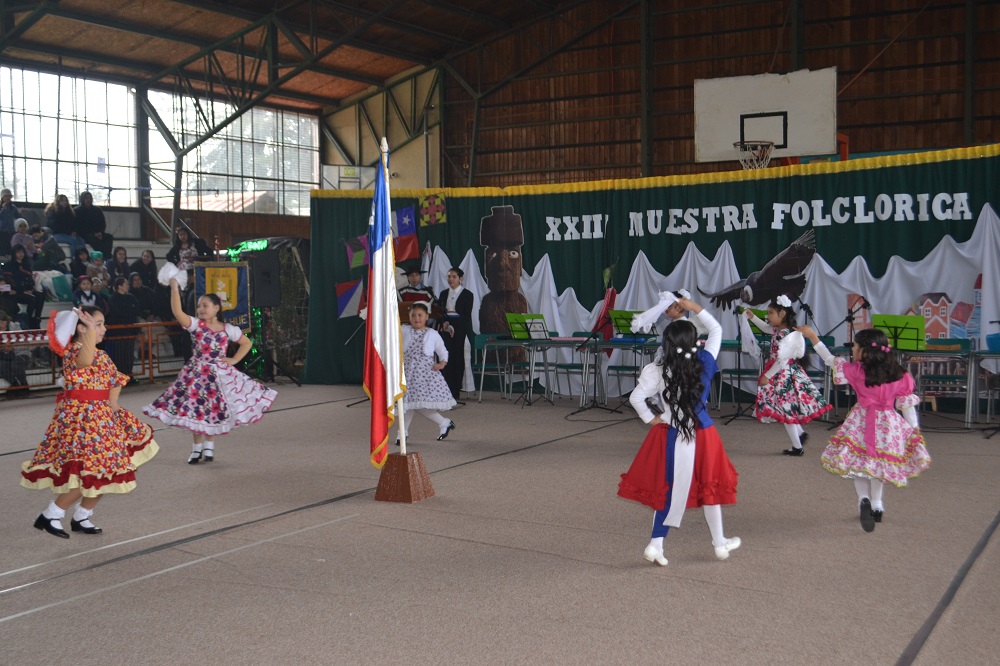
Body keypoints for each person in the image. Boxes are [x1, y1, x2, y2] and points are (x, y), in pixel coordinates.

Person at [619, 295, 740, 566]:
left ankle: (656, 543)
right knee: (709, 488)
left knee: (668, 488)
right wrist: (694, 307)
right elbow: (717, 329)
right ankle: (719, 543)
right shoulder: (706, 360)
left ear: (667, 344)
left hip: (673, 433)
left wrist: (654, 419)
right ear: (694, 339)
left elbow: (636, 398)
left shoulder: (659, 369)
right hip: (704, 434)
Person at [20, 307, 158, 538]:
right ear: (82, 329)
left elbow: (115, 379)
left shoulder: (102, 355)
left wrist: (113, 404)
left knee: (108, 471)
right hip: (81, 421)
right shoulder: (74, 352)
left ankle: (82, 515)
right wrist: (90, 332)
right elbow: (85, 362)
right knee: (87, 471)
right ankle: (51, 514)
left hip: (102, 419)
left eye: (102, 324)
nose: (103, 329)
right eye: (97, 324)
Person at [798, 325, 931, 532]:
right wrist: (914, 428)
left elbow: (829, 359)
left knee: (859, 463)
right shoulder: (900, 374)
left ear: (865, 351)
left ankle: (863, 500)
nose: (852, 350)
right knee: (878, 463)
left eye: (855, 347)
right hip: (888, 426)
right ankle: (877, 505)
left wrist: (814, 337)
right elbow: (907, 405)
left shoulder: (857, 371)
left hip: (862, 421)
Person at [143, 274, 276, 464]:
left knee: (214, 409)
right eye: (199, 306)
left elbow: (246, 343)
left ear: (216, 308)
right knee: (196, 409)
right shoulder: (196, 325)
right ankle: (196, 449)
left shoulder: (228, 329)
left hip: (219, 375)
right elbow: (178, 312)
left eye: (205, 305)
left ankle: (209, 446)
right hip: (196, 374)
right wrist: (174, 288)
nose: (200, 309)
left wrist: (234, 359)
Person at [745, 295, 831, 456]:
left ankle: (797, 446)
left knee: (785, 410)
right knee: (785, 408)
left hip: (782, 374)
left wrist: (768, 376)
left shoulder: (783, 335)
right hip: (786, 372)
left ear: (782, 313)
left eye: (770, 313)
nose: (768, 317)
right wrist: (753, 317)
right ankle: (800, 435)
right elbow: (765, 328)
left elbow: (781, 359)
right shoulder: (783, 331)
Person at [394, 302, 456, 445]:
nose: (417, 318)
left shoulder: (432, 334)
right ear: (409, 317)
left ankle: (403, 433)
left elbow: (443, 351)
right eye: (413, 315)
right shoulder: (404, 330)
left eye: (420, 315)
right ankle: (404, 433)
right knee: (408, 403)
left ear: (427, 317)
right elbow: (390, 330)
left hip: (425, 375)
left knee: (415, 404)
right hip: (408, 373)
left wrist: (441, 364)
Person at [435, 266, 474, 400]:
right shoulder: (443, 293)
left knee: (458, 357)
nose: (451, 279)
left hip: (460, 327)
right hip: (446, 326)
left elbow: (466, 315)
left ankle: (456, 389)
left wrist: (454, 325)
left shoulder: (468, 294)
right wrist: (444, 322)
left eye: (454, 277)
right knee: (445, 357)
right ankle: (446, 388)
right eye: (449, 276)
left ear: (460, 279)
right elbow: (440, 311)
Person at [2, 244, 44, 329]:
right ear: (14, 253)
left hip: (26, 290)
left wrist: (30, 289)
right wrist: (21, 290)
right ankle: (29, 320)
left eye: (22, 252)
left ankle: (37, 318)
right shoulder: (8, 265)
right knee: (32, 299)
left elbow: (30, 279)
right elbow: (9, 282)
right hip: (14, 291)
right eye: (18, 252)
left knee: (40, 295)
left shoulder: (26, 265)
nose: (21, 254)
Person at [106, 276, 140, 382]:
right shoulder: (113, 298)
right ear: (119, 286)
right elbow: (116, 312)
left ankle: (129, 375)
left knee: (129, 355)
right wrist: (128, 314)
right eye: (125, 284)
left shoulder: (131, 297)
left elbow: (136, 309)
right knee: (119, 355)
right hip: (118, 331)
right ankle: (119, 377)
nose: (128, 286)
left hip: (130, 330)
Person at [0, 311, 32, 398]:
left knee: (16, 365)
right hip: (4, 356)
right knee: (1, 366)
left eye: (3, 322)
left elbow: (26, 344)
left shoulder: (16, 328)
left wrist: (13, 348)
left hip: (21, 353)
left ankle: (24, 386)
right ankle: (15, 385)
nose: (1, 324)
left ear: (7, 321)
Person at [74, 191, 114, 256]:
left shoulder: (97, 210)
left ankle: (107, 254)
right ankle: (104, 255)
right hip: (84, 234)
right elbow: (78, 226)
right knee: (91, 238)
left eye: (90, 198)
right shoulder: (77, 210)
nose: (88, 200)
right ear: (82, 199)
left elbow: (102, 223)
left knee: (109, 237)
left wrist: (100, 232)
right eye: (86, 198)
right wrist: (93, 234)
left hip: (98, 233)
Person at [0, 188, 20, 256]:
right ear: (2, 197)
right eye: (6, 196)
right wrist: (3, 209)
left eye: (9, 196)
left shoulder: (13, 207)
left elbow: (18, 217)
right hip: (2, 231)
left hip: (11, 231)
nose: (8, 198)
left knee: (11, 248)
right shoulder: (1, 207)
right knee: (3, 249)